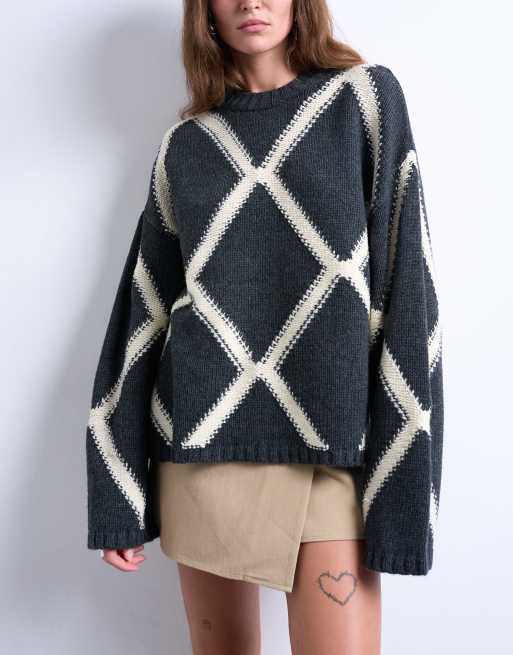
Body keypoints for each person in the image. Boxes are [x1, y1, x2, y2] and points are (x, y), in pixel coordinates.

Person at [85, 1, 444, 653]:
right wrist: (118, 491)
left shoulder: (364, 99)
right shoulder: (186, 144)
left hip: (333, 441)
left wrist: (406, 486)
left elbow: (407, 283)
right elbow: (143, 310)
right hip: (203, 449)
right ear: (204, 13)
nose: (251, 2)